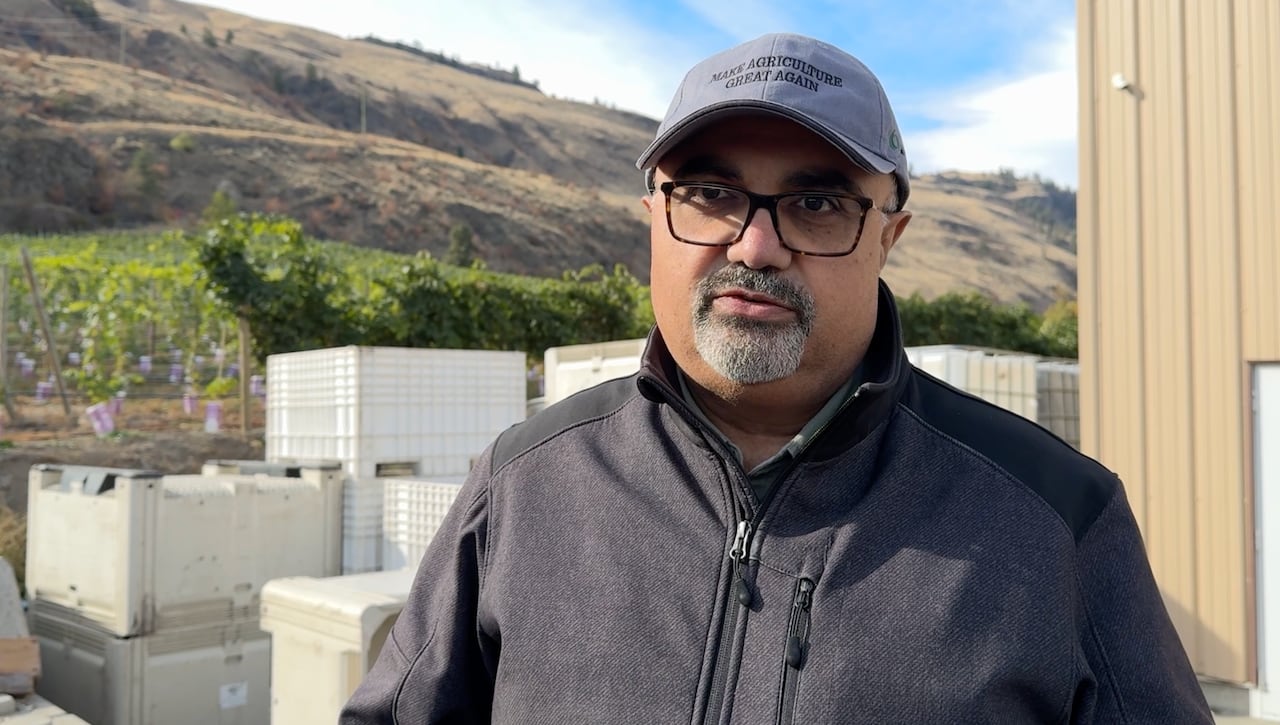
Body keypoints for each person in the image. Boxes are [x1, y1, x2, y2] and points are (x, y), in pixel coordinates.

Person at [341, 32, 1212, 723]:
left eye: (818, 203)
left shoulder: (1057, 520)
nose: (755, 247)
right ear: (654, 218)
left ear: (888, 238)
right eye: (711, 193)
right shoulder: (523, 486)